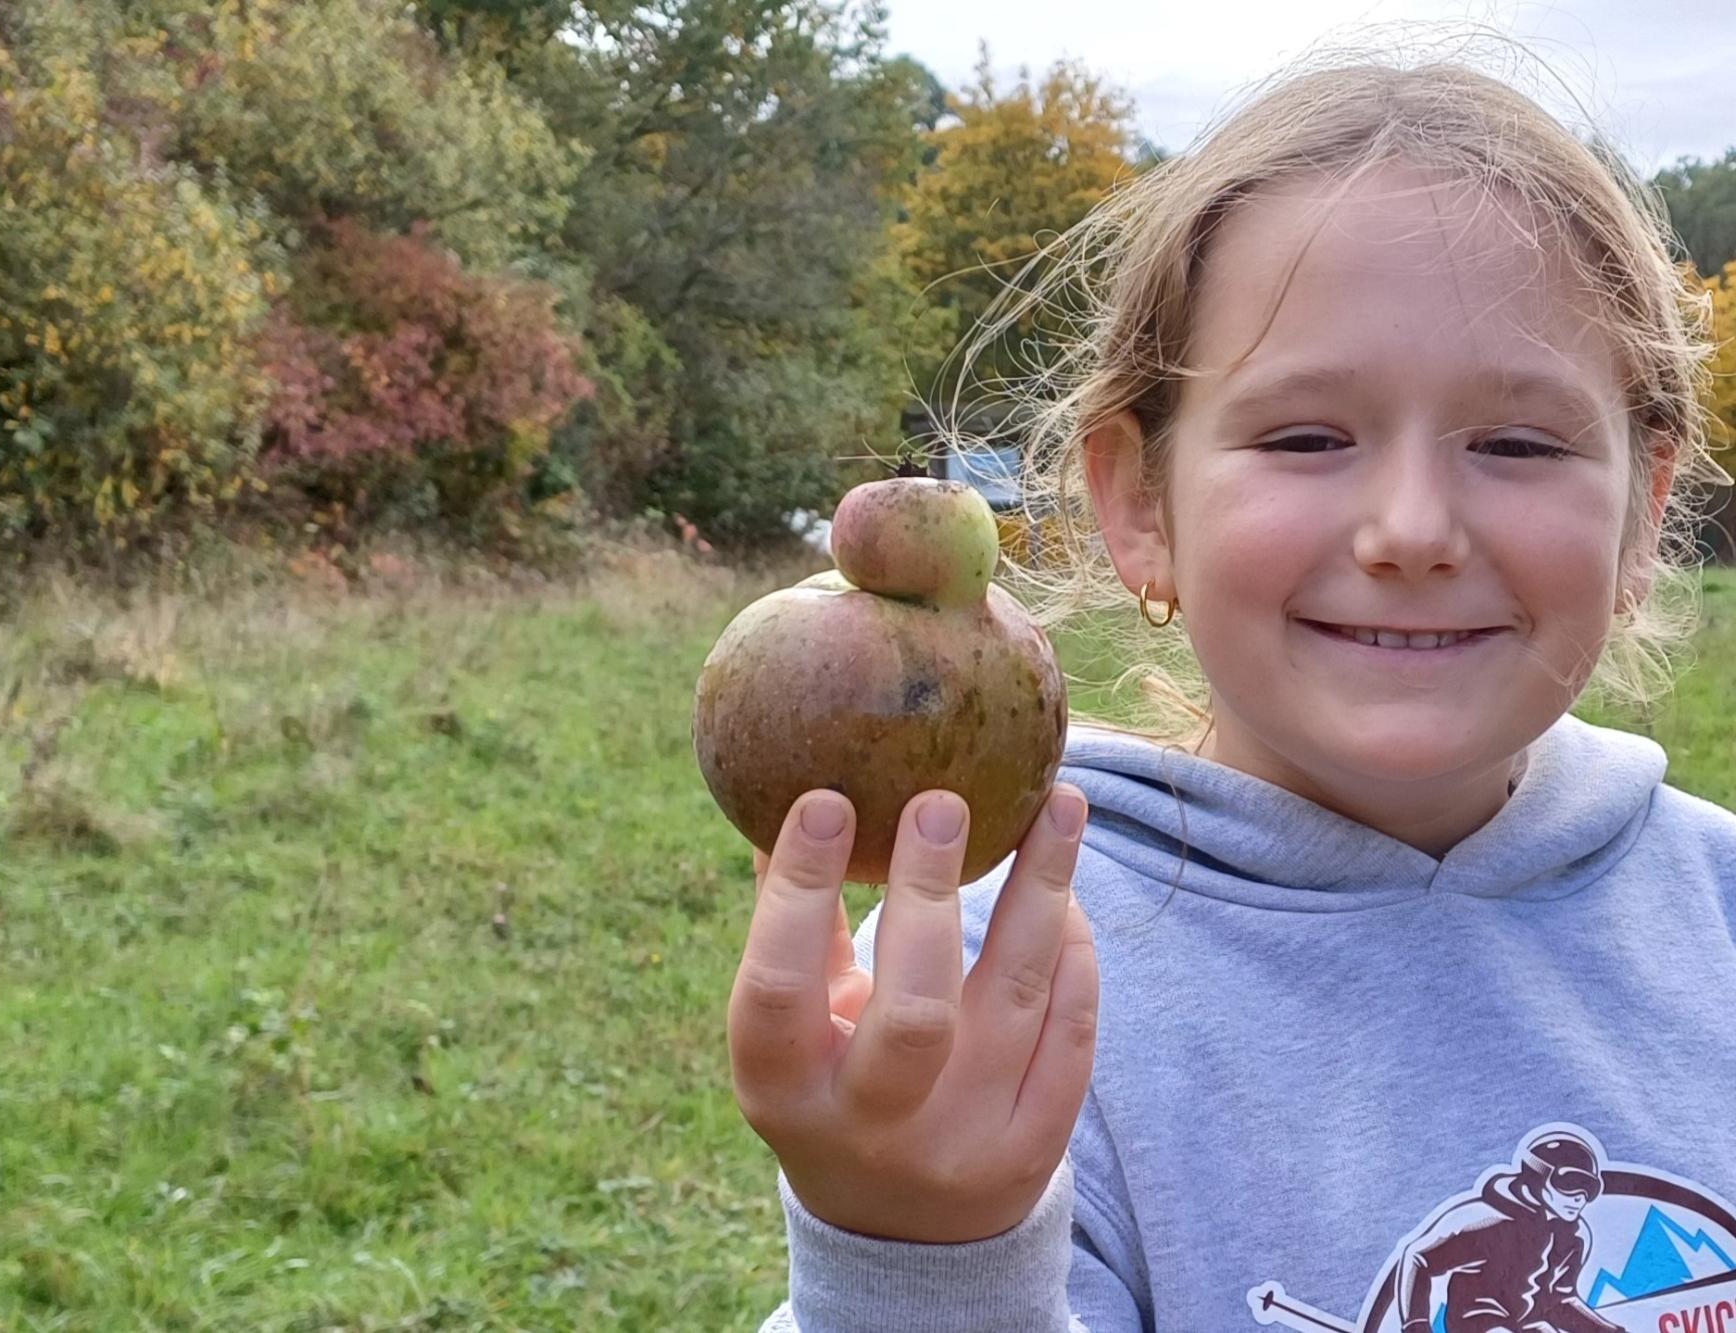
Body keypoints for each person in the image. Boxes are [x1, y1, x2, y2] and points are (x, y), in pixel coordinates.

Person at [729, 41, 1736, 1333]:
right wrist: (924, 1261)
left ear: (1644, 513)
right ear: (1139, 501)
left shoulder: (1719, 916)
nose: (1412, 528)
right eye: (1308, 436)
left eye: (1518, 441)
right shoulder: (998, 983)